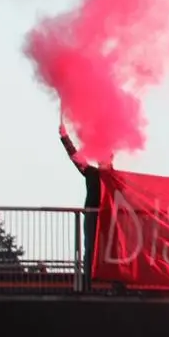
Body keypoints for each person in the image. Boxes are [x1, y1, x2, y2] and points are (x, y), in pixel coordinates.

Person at [59, 119, 106, 279]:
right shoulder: (91, 173)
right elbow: (75, 157)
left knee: (107, 249)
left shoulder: (115, 179)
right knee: (90, 248)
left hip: (107, 218)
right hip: (93, 217)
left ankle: (106, 279)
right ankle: (89, 279)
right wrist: (65, 137)